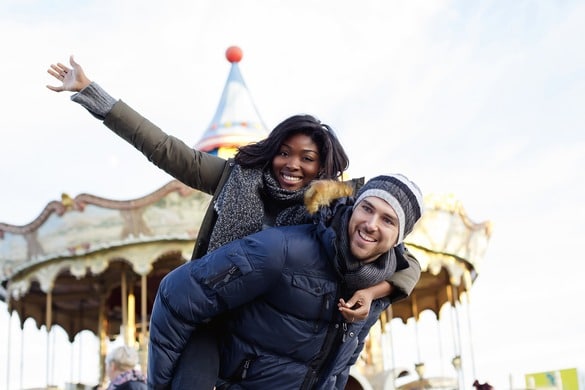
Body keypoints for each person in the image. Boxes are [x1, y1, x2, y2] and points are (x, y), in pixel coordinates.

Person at [46, 56, 421, 387]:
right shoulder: (237, 179)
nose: (293, 165)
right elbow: (163, 148)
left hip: (267, 330)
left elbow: (405, 261)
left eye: (307, 158)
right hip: (216, 315)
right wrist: (93, 93)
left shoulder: (336, 209)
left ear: (322, 167)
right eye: (285, 153)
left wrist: (374, 291)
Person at [148, 173, 424, 389]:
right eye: (367, 208)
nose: (371, 224)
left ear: (399, 238)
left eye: (388, 220)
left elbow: (341, 366)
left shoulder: (374, 290)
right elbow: (176, 295)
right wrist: (160, 385)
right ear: (353, 207)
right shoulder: (280, 251)